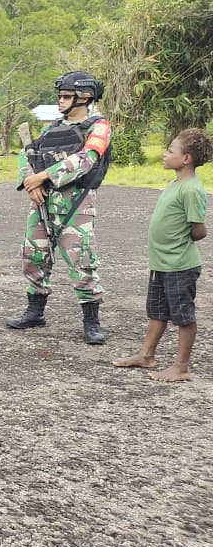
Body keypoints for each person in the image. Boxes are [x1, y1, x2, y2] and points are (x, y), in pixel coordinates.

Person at [6, 71, 112, 345]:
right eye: (60, 96)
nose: (61, 101)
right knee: (34, 255)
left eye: (66, 96)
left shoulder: (98, 127)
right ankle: (35, 312)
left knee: (81, 259)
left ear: (84, 97)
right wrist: (30, 183)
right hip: (43, 201)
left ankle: (91, 322)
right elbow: (28, 155)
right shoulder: (51, 128)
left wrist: (44, 176)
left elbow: (87, 159)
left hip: (76, 202)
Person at [113, 128, 211, 381]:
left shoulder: (191, 190)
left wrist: (178, 241)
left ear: (186, 158)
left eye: (170, 151)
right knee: (157, 311)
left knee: (183, 315)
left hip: (179, 265)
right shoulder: (175, 184)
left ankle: (181, 367)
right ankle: (146, 355)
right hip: (162, 263)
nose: (165, 155)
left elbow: (199, 230)